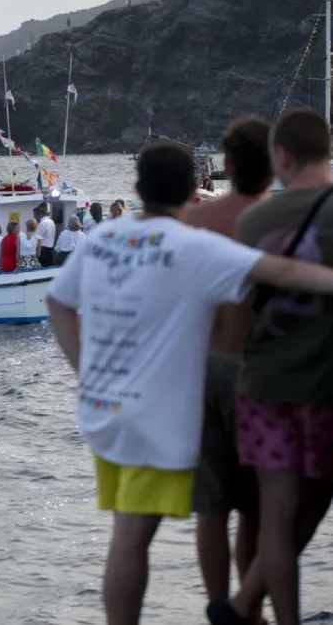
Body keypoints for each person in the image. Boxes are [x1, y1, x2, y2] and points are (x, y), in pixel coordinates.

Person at [47, 139, 333, 625]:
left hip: (103, 410)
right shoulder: (194, 249)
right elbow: (281, 271)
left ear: (138, 189)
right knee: (133, 536)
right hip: (152, 415)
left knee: (127, 528)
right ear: (191, 191)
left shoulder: (101, 239)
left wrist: (84, 372)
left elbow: (58, 302)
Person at [208, 109, 333, 625]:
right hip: (327, 388)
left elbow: (235, 315)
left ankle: (258, 612)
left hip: (264, 387)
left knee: (275, 520)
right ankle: (244, 606)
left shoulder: (254, 221)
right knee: (310, 503)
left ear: (281, 156)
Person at [175, 116, 272, 625]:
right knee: (256, 506)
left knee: (211, 507)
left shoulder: (193, 222)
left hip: (199, 371)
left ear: (226, 165)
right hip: (256, 373)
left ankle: (217, 606)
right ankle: (249, 611)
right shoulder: (279, 220)